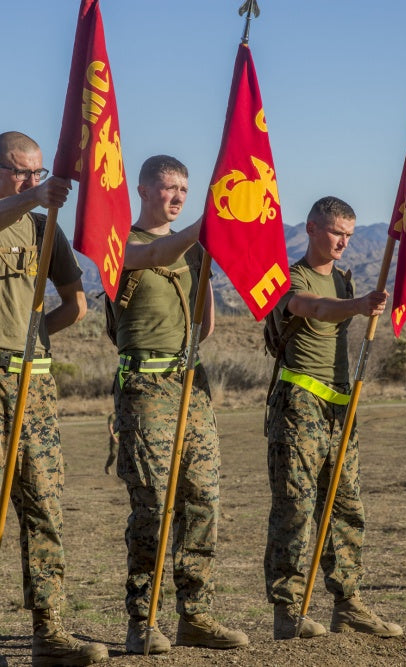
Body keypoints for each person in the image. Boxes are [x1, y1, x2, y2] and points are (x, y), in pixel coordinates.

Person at [0, 131, 107, 667]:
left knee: (45, 509)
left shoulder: (46, 229)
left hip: (34, 382)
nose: (32, 181)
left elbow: (75, 305)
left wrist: (34, 338)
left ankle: (50, 633)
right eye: (20, 172)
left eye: (37, 173)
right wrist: (31, 199)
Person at [110, 155, 249, 655]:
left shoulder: (192, 251)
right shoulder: (122, 243)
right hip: (145, 391)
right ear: (144, 190)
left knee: (202, 501)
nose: (176, 196)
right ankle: (142, 620)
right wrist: (200, 228)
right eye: (168, 187)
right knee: (153, 507)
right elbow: (152, 256)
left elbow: (204, 323)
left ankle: (196, 615)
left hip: (192, 384)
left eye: (184, 190)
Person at [263, 196, 402, 641]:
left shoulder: (344, 280)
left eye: (348, 234)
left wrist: (357, 300)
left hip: (340, 409)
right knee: (296, 509)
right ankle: (288, 610)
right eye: (334, 231)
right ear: (310, 229)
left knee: (345, 509)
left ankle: (349, 604)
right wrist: (359, 305)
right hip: (299, 405)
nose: (342, 241)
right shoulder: (288, 277)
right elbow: (314, 310)